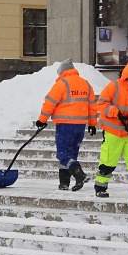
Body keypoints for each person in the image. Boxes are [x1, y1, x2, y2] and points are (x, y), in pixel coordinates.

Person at [36, 58, 98, 191]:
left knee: (63, 153)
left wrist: (42, 120)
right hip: (80, 125)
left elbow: (50, 103)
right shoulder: (86, 84)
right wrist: (92, 124)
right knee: (71, 154)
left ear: (63, 72)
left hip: (65, 125)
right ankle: (64, 184)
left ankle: (79, 174)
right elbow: (92, 106)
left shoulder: (62, 83)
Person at [94, 62, 128, 198]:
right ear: (126, 77)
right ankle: (100, 187)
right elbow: (102, 103)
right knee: (108, 162)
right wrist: (116, 112)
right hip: (113, 133)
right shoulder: (114, 86)